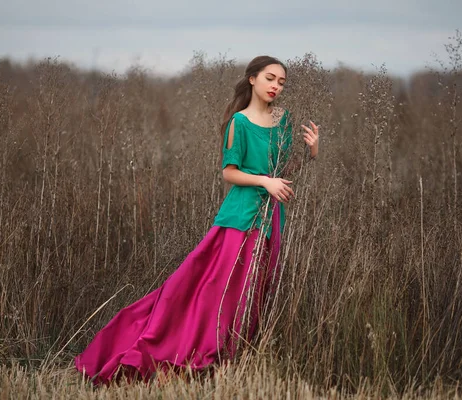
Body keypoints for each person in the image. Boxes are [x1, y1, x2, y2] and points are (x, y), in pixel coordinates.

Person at [74, 55, 319, 385]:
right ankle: (188, 353)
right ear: (252, 80)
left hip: (272, 219)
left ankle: (235, 362)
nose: (276, 86)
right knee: (215, 292)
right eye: (270, 78)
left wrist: (310, 153)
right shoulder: (240, 123)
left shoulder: (284, 120)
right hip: (239, 219)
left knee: (254, 294)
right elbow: (229, 172)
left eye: (281, 82)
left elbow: (284, 173)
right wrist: (264, 181)